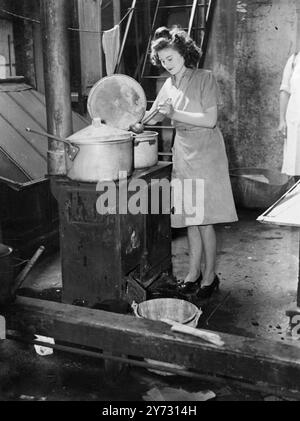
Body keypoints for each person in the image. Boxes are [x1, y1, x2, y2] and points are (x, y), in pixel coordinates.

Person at [146, 27, 238, 299]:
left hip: (206, 150)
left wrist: (175, 113)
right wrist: (137, 123)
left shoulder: (204, 78)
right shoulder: (168, 84)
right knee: (190, 217)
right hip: (183, 150)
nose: (166, 65)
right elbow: (154, 115)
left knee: (204, 219)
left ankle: (210, 277)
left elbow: (209, 120)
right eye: (162, 61)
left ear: (184, 54)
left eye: (170, 59)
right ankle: (192, 273)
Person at [278, 52, 300, 181]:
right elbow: (285, 90)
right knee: (296, 165)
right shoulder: (294, 59)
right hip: (295, 121)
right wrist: (282, 120)